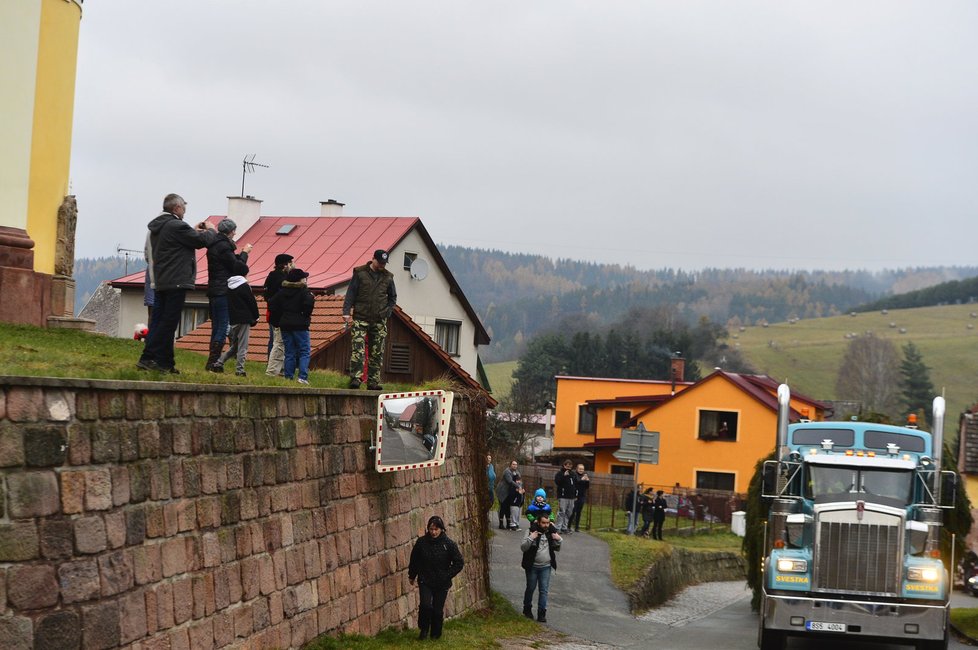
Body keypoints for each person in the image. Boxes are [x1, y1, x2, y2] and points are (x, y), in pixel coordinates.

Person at [137, 193, 216, 374]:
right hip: (176, 281)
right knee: (168, 322)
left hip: (161, 280)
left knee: (159, 320)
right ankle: (148, 357)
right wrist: (211, 230)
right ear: (177, 208)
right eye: (184, 208)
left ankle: (165, 362)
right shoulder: (176, 225)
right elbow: (201, 241)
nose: (185, 211)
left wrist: (192, 230)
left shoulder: (158, 226)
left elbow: (182, 239)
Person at [342, 249, 396, 391]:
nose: (382, 265)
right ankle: (356, 379)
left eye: (384, 263)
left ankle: (373, 381)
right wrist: (346, 312)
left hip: (379, 320)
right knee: (358, 350)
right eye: (380, 262)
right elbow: (350, 294)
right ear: (373, 259)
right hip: (361, 317)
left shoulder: (388, 277)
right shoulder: (360, 273)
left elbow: (392, 297)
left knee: (377, 352)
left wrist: (388, 311)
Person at [204, 218, 252, 372]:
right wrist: (244, 253)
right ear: (231, 232)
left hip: (214, 289)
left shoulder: (215, 245)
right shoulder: (224, 246)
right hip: (223, 291)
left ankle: (213, 361)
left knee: (216, 326)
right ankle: (213, 363)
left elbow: (229, 263)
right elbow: (239, 268)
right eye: (234, 231)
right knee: (222, 327)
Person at [408, 515, 464, 641]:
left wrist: (447, 575)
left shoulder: (448, 544)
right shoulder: (421, 543)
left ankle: (435, 634)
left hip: (441, 582)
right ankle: (424, 629)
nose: (433, 532)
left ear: (441, 529)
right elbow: (414, 560)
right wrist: (412, 575)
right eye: (431, 529)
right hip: (425, 579)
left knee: (437, 610)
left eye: (436, 529)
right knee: (425, 605)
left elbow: (459, 562)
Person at [269, 267, 314, 384]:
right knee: (304, 351)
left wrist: (280, 317)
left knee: (289, 352)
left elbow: (272, 304)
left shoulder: (282, 292)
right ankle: (302, 377)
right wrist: (304, 315)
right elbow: (309, 305)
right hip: (300, 325)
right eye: (304, 278)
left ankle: (288, 377)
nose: (306, 280)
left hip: (285, 325)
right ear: (300, 280)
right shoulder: (304, 292)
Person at [214, 261, 259, 376]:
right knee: (243, 346)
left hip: (234, 319)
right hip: (245, 319)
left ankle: (219, 363)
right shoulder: (244, 286)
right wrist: (256, 316)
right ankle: (240, 370)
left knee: (236, 346)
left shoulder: (229, 286)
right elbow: (251, 302)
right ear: (244, 273)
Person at [521, 512, 561, 623]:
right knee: (530, 588)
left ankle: (541, 613)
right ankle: (527, 609)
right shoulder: (530, 531)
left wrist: (559, 540)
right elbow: (523, 548)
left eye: (548, 523)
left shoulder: (550, 533)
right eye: (543, 523)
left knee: (544, 590)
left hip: (546, 566)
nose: (546, 525)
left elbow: (557, 549)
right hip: (532, 566)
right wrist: (530, 538)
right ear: (538, 522)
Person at [263, 253, 293, 376]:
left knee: (273, 339)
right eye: (290, 263)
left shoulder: (270, 276)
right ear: (285, 265)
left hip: (271, 312)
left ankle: (271, 364)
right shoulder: (283, 279)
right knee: (280, 341)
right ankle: (277, 367)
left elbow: (266, 295)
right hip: (281, 314)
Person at [554, 459, 578, 533]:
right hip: (563, 496)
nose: (568, 467)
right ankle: (558, 527)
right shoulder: (560, 473)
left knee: (569, 512)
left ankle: (564, 527)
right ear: (564, 465)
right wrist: (564, 476)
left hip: (571, 497)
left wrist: (575, 494)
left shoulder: (573, 474)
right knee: (562, 512)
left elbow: (575, 485)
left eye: (570, 466)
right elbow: (557, 482)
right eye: (567, 466)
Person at [495, 460, 518, 530]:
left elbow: (518, 478)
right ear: (510, 465)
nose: (515, 466)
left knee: (508, 508)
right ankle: (501, 524)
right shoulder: (507, 471)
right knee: (503, 507)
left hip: (508, 492)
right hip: (502, 491)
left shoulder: (515, 472)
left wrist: (520, 484)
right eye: (513, 464)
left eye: (516, 465)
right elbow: (510, 481)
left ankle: (508, 524)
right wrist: (518, 486)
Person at [570, 464, 590, 532]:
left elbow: (587, 487)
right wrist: (582, 480)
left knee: (579, 512)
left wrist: (587, 481)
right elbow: (576, 483)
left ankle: (577, 527)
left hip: (582, 496)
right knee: (573, 511)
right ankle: (568, 526)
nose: (581, 470)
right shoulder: (574, 475)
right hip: (575, 495)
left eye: (582, 469)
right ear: (577, 469)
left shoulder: (584, 475)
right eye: (580, 469)